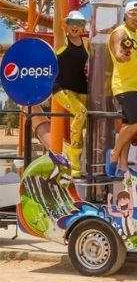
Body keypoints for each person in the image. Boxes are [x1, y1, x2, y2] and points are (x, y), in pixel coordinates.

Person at [106, 1, 137, 183]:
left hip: (136, 86)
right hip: (123, 86)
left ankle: (123, 168)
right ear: (125, 15)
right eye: (133, 14)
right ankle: (113, 153)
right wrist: (121, 55)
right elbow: (118, 52)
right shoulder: (120, 32)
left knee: (128, 128)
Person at [51, 10, 90, 176]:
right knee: (81, 113)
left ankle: (76, 160)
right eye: (72, 23)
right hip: (61, 88)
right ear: (66, 25)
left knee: (87, 123)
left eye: (80, 24)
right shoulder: (62, 40)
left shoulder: (86, 42)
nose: (75, 27)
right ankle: (74, 158)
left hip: (82, 89)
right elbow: (55, 24)